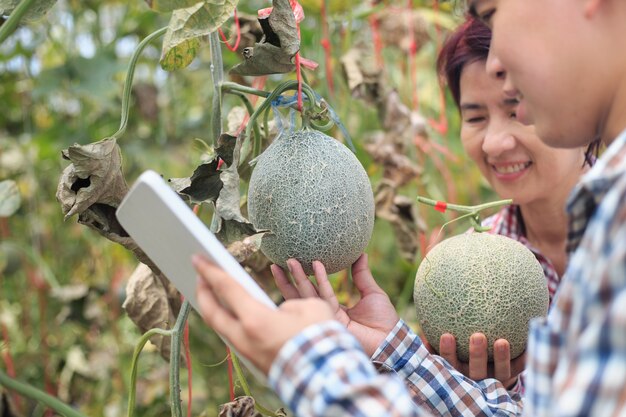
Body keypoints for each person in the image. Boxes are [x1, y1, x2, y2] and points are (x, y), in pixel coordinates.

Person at [194, 0, 626, 414]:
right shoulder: (471, 263)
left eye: (515, 109)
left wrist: (308, 364)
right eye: (474, 117)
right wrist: (388, 345)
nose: (495, 141)